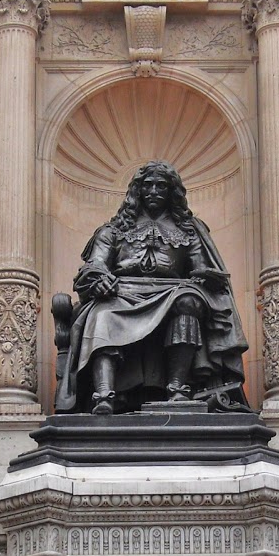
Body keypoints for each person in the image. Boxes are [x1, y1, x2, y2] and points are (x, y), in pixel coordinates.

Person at [54, 160, 248, 415]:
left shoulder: (189, 231)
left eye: (161, 186)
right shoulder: (113, 230)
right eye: (148, 186)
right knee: (102, 313)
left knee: (189, 300)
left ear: (171, 192)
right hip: (122, 291)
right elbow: (95, 265)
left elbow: (201, 267)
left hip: (173, 291)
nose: (154, 191)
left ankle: (177, 389)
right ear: (138, 190)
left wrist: (206, 277)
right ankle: (103, 395)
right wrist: (99, 279)